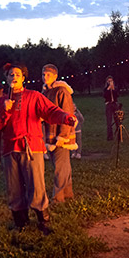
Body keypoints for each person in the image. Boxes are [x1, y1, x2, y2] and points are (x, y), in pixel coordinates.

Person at [0, 63, 77, 235]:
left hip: (32, 147)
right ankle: (20, 223)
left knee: (36, 185)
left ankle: (43, 221)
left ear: (23, 78)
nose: (14, 77)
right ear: (7, 79)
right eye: (10, 74)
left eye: (17, 74)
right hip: (10, 149)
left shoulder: (34, 96)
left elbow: (50, 111)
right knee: (14, 188)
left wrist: (66, 117)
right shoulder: (2, 101)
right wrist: (4, 111)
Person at [41, 64, 77, 203]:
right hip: (50, 132)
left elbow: (68, 113)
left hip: (60, 134)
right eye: (43, 74)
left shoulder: (61, 91)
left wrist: (62, 136)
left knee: (60, 166)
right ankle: (67, 193)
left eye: (48, 75)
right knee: (63, 165)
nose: (45, 77)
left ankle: (58, 197)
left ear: (55, 76)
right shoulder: (46, 92)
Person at [103, 76, 119, 141]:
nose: (110, 82)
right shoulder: (105, 89)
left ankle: (118, 135)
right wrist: (108, 89)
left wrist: (113, 89)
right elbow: (105, 96)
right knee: (109, 121)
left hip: (114, 104)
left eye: (111, 81)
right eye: (109, 81)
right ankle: (110, 136)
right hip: (109, 104)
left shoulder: (115, 88)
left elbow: (117, 95)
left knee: (117, 120)